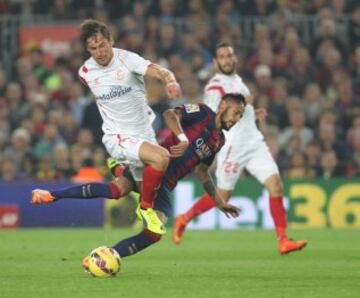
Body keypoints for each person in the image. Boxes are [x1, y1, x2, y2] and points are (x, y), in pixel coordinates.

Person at [31, 93, 245, 261]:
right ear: (224, 105)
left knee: (155, 232)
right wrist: (182, 138)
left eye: (240, 116)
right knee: (116, 190)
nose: (237, 119)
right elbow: (170, 114)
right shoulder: (203, 112)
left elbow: (202, 172)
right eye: (236, 113)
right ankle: (51, 195)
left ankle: (110, 255)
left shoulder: (219, 141)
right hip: (153, 166)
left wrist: (220, 203)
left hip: (165, 185)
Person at [45, 19, 181, 235]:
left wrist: (170, 80)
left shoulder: (128, 60)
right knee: (161, 158)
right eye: (93, 48)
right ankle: (145, 209)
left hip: (144, 135)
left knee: (129, 188)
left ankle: (118, 169)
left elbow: (158, 71)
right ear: (87, 49)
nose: (99, 52)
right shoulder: (85, 72)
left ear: (111, 40)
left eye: (102, 46)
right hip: (117, 137)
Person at [172, 42, 308, 255]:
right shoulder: (215, 86)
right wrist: (244, 101)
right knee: (223, 197)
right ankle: (184, 218)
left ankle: (283, 240)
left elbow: (239, 111)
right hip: (233, 147)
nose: (226, 59)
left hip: (254, 142)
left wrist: (252, 112)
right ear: (216, 62)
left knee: (276, 185)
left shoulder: (238, 81)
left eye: (229, 55)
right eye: (222, 57)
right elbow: (215, 113)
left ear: (234, 59)